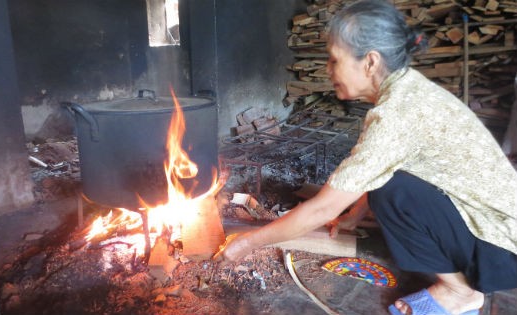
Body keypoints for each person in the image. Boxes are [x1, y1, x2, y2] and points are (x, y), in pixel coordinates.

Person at [214, 0, 517, 314]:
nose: (329, 70)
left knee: (391, 192)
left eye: (334, 61)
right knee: (388, 186)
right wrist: (354, 215)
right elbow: (382, 167)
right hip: (499, 228)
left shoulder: (396, 115)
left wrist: (248, 242)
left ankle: (460, 293)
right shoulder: (407, 90)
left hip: (501, 246)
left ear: (370, 62)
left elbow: (322, 209)